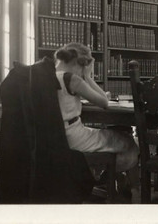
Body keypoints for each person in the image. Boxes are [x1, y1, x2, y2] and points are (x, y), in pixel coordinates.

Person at [54, 42, 139, 201]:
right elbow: (104, 102)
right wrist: (87, 77)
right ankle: (119, 186)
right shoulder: (71, 79)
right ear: (80, 64)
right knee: (129, 142)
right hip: (73, 137)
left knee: (116, 140)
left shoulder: (48, 76)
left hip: (55, 137)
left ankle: (111, 181)